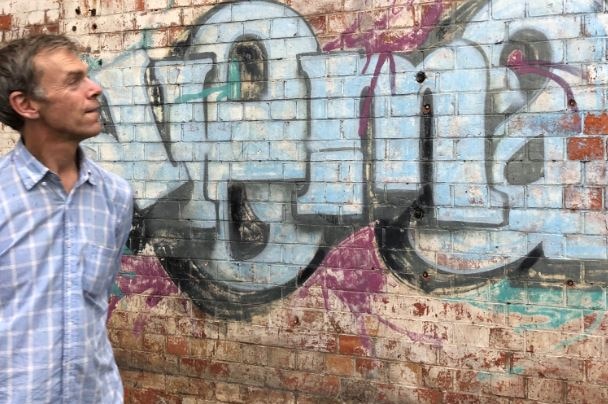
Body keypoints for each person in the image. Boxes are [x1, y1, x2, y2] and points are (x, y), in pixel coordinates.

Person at [0, 34, 133, 403]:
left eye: (87, 76)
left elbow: (93, 306)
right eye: (74, 81)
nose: (95, 89)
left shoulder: (115, 196)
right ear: (26, 104)